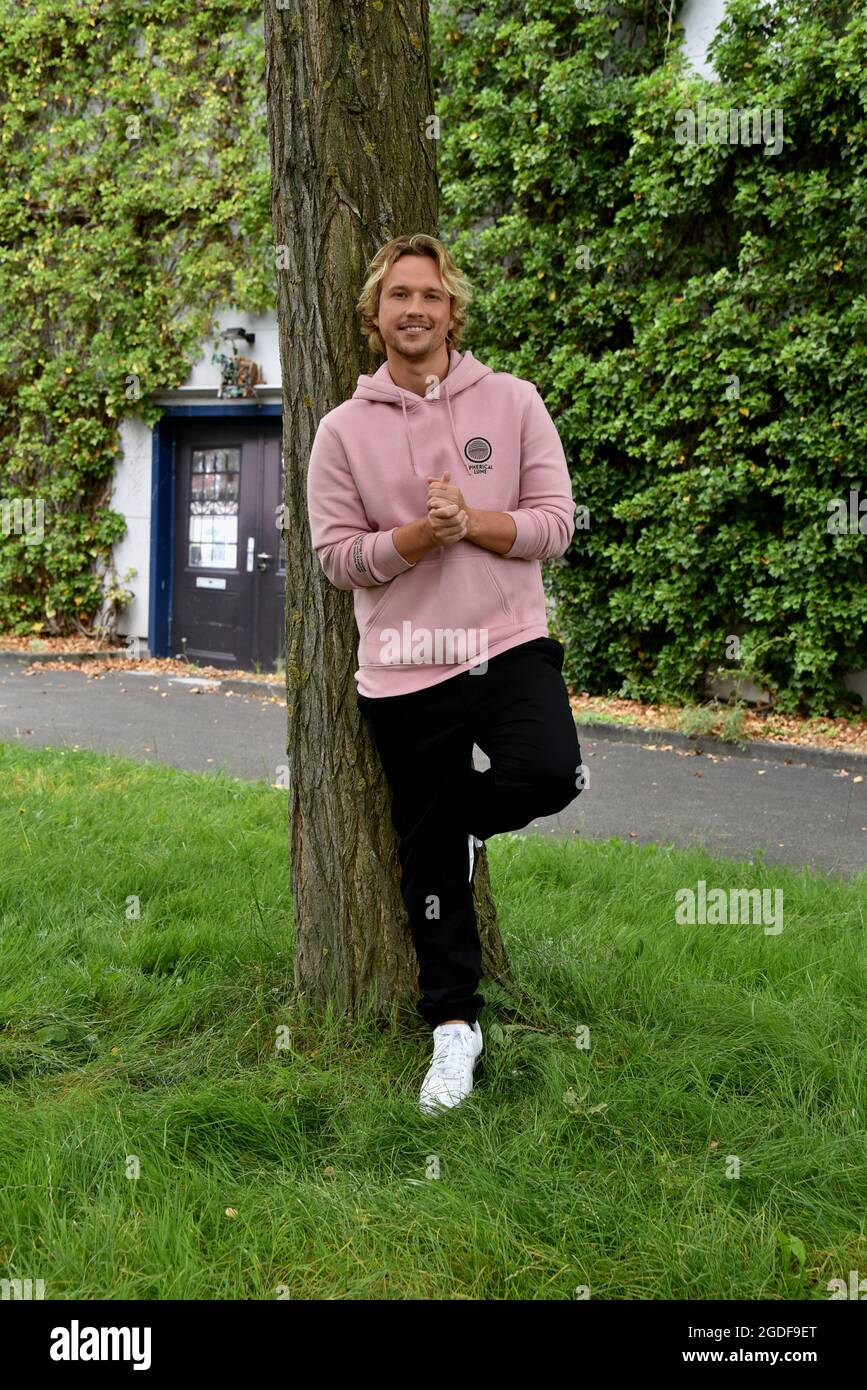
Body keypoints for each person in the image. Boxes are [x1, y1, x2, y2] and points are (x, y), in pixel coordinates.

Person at [306, 233, 583, 1114]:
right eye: (398, 297)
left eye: (429, 295)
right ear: (374, 316)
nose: (414, 309)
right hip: (403, 666)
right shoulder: (341, 430)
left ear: (452, 310)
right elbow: (336, 558)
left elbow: (554, 524)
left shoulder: (511, 401)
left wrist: (475, 525)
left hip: (506, 642)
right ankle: (452, 1029)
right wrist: (418, 540)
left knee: (549, 772)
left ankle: (461, 819)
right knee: (428, 864)